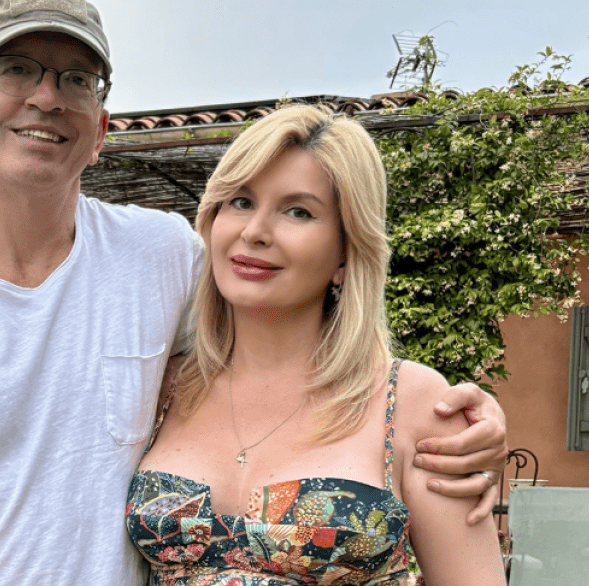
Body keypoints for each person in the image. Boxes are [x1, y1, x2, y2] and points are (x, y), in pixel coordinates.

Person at [0, 0, 507, 586]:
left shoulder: (162, 257)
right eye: (16, 68)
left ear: (100, 131)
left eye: (77, 79)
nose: (46, 96)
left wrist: (469, 417)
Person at [126, 104, 505, 584]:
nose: (254, 232)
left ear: (347, 251)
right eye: (240, 201)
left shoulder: (412, 403)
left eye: (298, 211)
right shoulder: (162, 387)